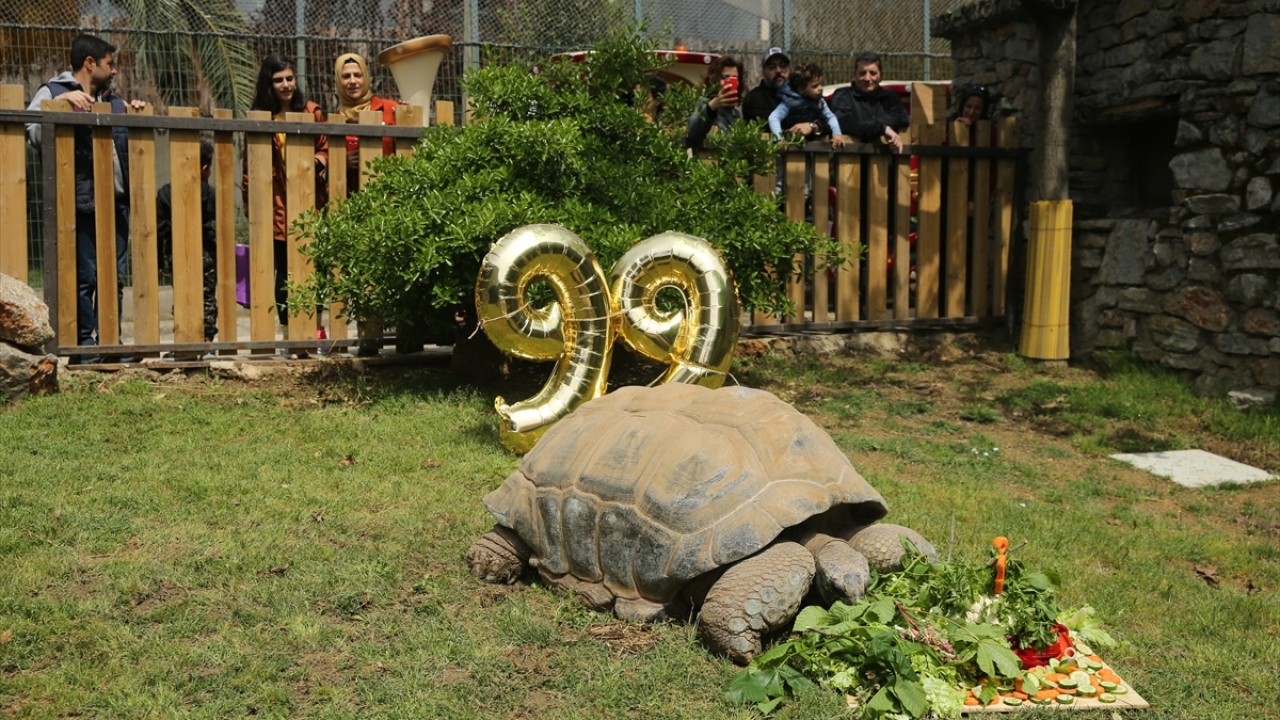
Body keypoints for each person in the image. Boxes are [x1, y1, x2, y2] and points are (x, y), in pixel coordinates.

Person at [26, 34, 148, 362]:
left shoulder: (114, 100)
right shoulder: (52, 91)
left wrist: (136, 116)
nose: (114, 71)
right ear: (90, 63)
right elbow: (32, 133)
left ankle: (111, 342)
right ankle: (84, 346)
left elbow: (126, 148)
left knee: (114, 277)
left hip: (116, 203)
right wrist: (62, 105)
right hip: (80, 204)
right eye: (110, 64)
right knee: (84, 278)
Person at [241, 54, 328, 330]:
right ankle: (288, 327)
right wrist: (250, 203)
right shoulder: (260, 116)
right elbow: (249, 164)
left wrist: (317, 162)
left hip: (310, 201)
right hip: (275, 203)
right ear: (269, 83)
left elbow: (324, 148)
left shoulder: (312, 111)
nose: (286, 85)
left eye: (289, 78)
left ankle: (314, 327)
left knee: (313, 268)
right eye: (278, 80)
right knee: (283, 270)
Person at [156, 138, 218, 342]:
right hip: (206, 252)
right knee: (206, 295)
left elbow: (159, 230)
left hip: (177, 251)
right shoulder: (209, 195)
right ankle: (207, 337)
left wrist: (160, 261)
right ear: (205, 168)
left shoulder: (165, 194)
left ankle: (184, 336)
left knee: (182, 294)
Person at [334, 52, 399, 192]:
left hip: (390, 197)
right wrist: (342, 161)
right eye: (345, 76)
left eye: (358, 75)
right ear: (338, 80)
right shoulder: (334, 120)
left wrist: (408, 115)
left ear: (366, 77)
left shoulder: (390, 109)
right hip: (350, 200)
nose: (352, 81)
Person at [828, 51, 910, 153]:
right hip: (850, 163)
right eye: (862, 73)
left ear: (881, 76)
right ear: (854, 75)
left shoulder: (890, 96)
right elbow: (842, 122)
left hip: (886, 163)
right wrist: (883, 129)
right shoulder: (843, 95)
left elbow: (902, 117)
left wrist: (875, 127)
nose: (867, 78)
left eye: (873, 73)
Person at [766, 62, 846, 149]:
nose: (820, 88)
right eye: (815, 86)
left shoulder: (819, 101)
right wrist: (779, 139)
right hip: (792, 148)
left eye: (820, 84)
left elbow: (830, 117)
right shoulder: (790, 102)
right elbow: (774, 118)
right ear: (801, 89)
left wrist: (837, 134)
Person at [685, 56, 744, 149]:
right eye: (726, 77)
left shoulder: (736, 111)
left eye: (734, 79)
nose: (730, 82)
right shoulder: (703, 103)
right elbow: (693, 133)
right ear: (715, 79)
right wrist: (711, 108)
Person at [742, 47, 791, 125]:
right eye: (772, 67)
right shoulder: (754, 98)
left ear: (789, 69)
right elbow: (771, 125)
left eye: (783, 66)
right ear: (763, 72)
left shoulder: (798, 94)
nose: (778, 70)